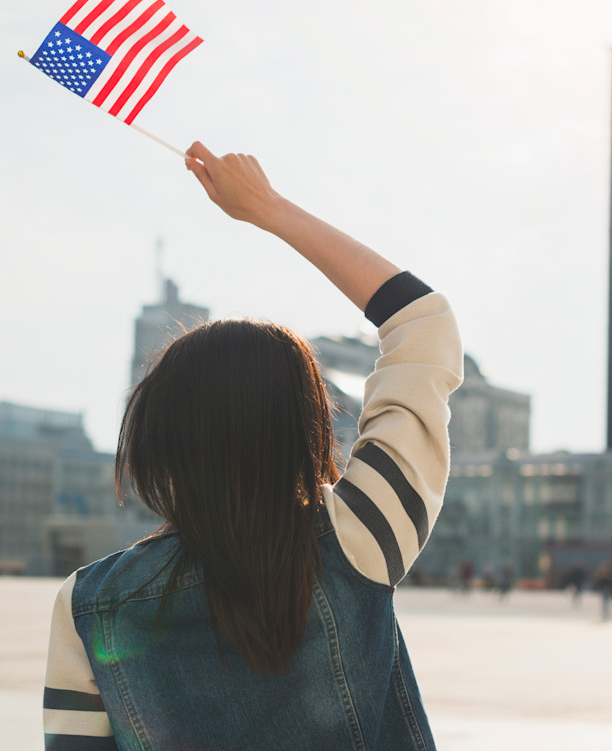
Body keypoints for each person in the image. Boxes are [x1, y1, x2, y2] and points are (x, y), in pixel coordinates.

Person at [42, 143, 464, 751]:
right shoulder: (361, 536)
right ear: (307, 427)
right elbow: (423, 320)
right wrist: (269, 209)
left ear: (159, 437)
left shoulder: (90, 602)